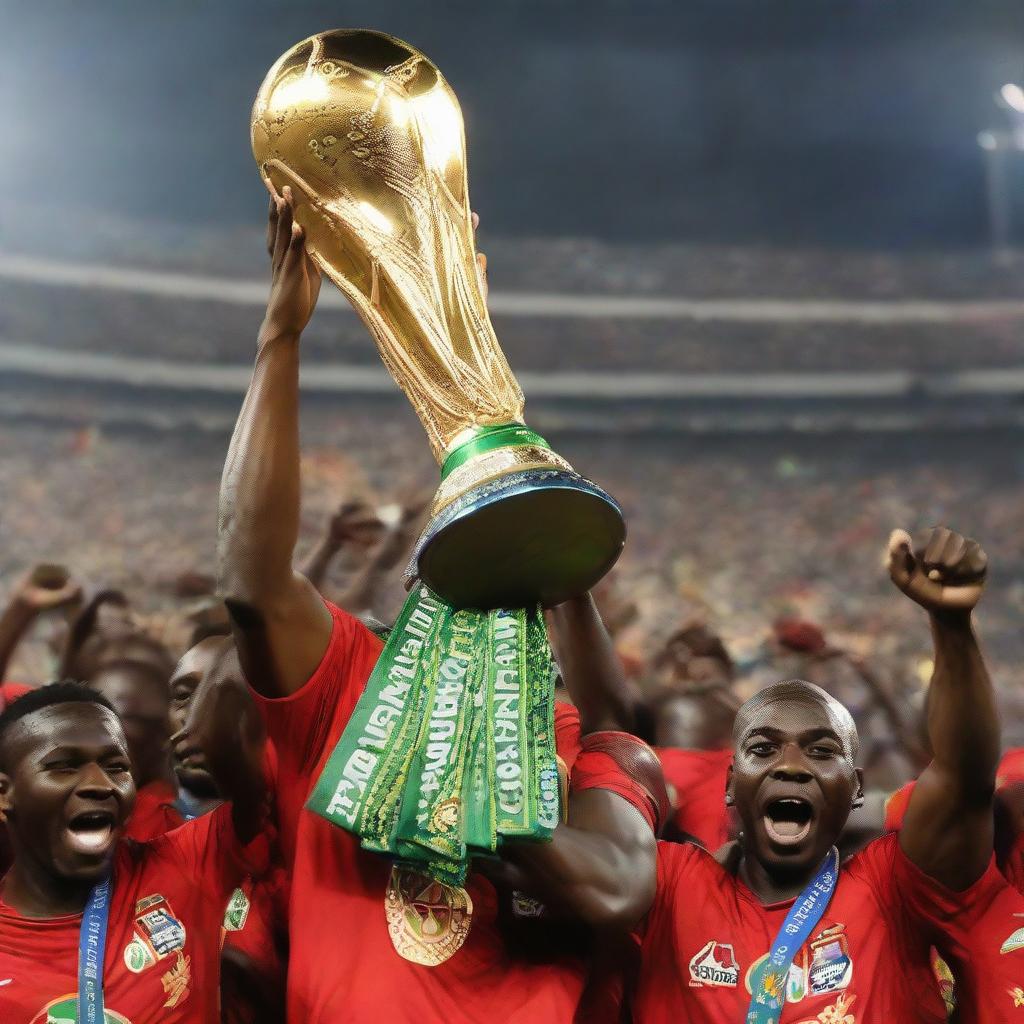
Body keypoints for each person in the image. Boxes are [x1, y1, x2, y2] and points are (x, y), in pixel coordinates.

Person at [215, 186, 663, 1023]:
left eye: (501, 572)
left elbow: (618, 890)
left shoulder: (580, 747)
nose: (471, 597)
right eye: (452, 567)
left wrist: (479, 786)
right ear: (414, 588)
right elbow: (250, 583)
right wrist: (280, 337)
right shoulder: (348, 684)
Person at [630, 526, 1005, 1022]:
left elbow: (965, 778)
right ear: (728, 783)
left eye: (822, 751)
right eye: (763, 749)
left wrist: (952, 625)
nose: (790, 766)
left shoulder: (892, 888)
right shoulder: (669, 886)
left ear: (855, 789)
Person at [0, 680, 268, 1022]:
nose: (101, 784)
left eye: (117, 767)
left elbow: (282, 777)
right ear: (4, 794)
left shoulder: (187, 862)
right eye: (64, 765)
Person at [168, 634, 289, 1024]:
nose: (198, 716)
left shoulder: (298, 845)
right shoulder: (134, 844)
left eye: (221, 698)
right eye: (185, 695)